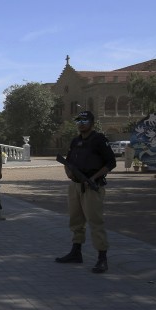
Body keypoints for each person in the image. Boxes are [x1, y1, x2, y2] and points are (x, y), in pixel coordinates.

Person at [55, 111, 116, 274]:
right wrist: (68, 172)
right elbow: (67, 161)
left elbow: (111, 162)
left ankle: (102, 258)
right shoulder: (75, 141)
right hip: (75, 186)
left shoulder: (99, 140)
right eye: (79, 120)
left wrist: (93, 178)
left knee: (95, 222)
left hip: (92, 185)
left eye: (84, 120)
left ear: (92, 123)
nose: (81, 123)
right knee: (76, 220)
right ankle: (76, 252)